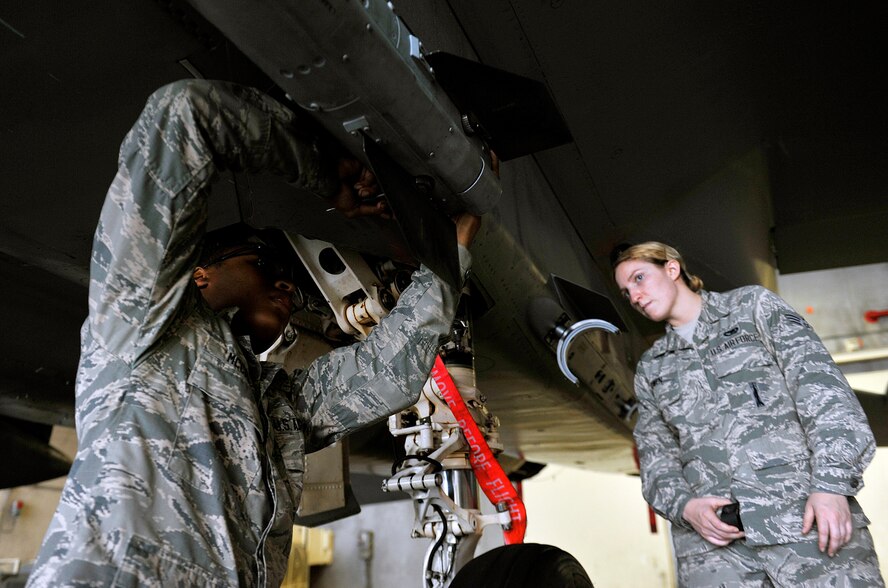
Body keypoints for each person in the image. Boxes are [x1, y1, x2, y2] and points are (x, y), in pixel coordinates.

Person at [27, 79, 481, 587]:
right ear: (201, 273)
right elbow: (182, 118)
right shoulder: (137, 323)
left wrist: (449, 261)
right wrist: (327, 176)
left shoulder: (271, 408)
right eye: (263, 262)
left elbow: (384, 375)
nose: (286, 280)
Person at [612, 241, 883, 587]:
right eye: (625, 291)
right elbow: (656, 459)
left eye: (639, 278)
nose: (634, 295)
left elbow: (822, 391)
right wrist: (685, 507)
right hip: (715, 557)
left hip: (804, 528)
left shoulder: (752, 308)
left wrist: (831, 485)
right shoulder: (652, 368)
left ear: (672, 268)